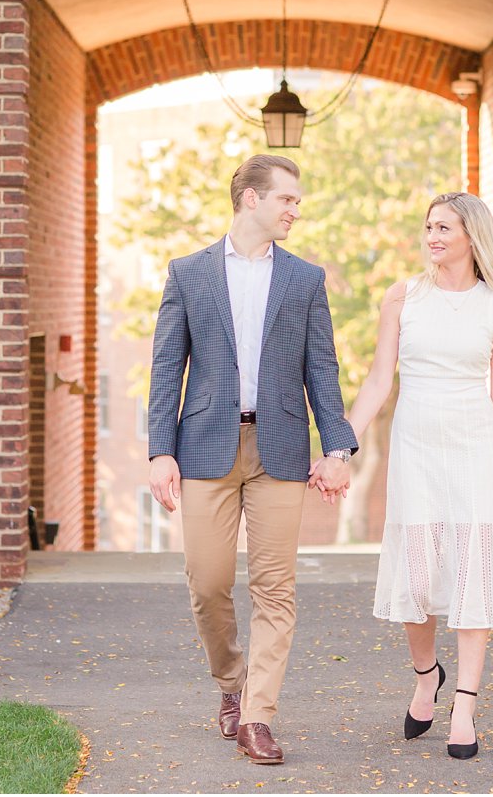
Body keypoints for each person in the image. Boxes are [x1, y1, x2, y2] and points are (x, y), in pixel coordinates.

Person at [147, 154, 358, 766]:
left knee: (275, 589)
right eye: (287, 199)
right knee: (208, 584)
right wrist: (160, 450)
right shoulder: (188, 274)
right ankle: (231, 683)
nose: (296, 209)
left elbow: (323, 369)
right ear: (250, 200)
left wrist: (337, 447)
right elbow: (166, 369)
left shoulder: (304, 279)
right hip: (206, 446)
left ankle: (259, 717)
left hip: (281, 450)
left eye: (297, 201)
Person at [330, 192, 493, 760]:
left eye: (444, 227)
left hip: (475, 451)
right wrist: (340, 449)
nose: (433, 236)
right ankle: (427, 676)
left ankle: (464, 704)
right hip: (415, 448)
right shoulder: (403, 297)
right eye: (429, 227)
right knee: (417, 580)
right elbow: (376, 385)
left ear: (472, 236)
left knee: (472, 572)